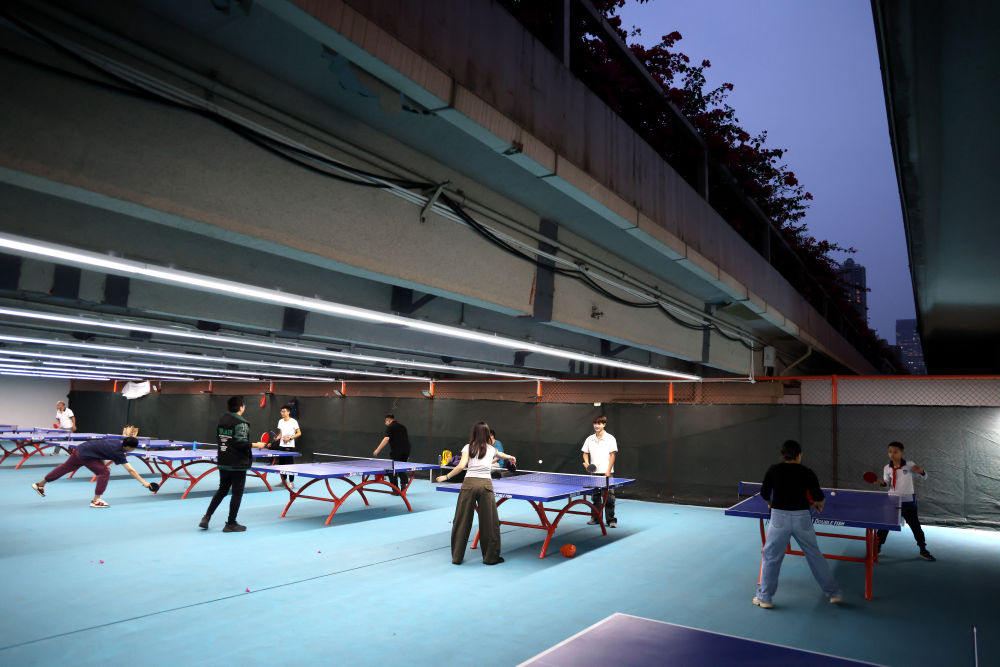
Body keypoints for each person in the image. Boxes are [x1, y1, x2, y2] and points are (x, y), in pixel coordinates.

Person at [753, 439, 843, 609]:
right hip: (802, 518)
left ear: (783, 454)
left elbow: (764, 493)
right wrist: (819, 505)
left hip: (779, 518)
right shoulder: (807, 472)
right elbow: (818, 497)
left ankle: (765, 598)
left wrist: (771, 504)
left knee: (771, 557)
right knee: (815, 556)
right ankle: (834, 593)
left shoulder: (773, 470)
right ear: (799, 455)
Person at [436, 421, 516, 565]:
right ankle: (490, 558)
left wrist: (446, 477)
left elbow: (461, 465)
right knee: (489, 523)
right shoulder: (491, 449)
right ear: (487, 434)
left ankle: (457, 557)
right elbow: (501, 454)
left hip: (468, 485)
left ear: (474, 433)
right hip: (485, 486)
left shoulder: (468, 447)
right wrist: (510, 457)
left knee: (461, 521)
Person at [199, 396, 268, 532]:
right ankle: (231, 523)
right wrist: (256, 445)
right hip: (237, 463)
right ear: (241, 407)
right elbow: (240, 443)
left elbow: (223, 439)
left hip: (223, 461)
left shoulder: (222, 420)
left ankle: (206, 517)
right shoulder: (241, 423)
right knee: (237, 493)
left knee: (222, 490)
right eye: (244, 405)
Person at [32, 436, 151, 507]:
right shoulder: (118, 452)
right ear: (129, 447)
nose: (134, 449)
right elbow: (131, 470)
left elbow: (102, 450)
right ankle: (96, 500)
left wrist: (103, 465)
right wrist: (144, 482)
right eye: (134, 448)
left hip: (81, 449)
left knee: (65, 468)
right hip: (86, 455)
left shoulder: (116, 442)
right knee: (104, 473)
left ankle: (40, 484)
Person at [877, 441, 935, 561]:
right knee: (884, 526)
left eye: (895, 452)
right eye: (890, 451)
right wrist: (882, 483)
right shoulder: (887, 468)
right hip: (892, 500)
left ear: (902, 453)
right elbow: (887, 484)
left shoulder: (910, 465)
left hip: (908, 501)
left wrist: (921, 471)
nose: (892, 454)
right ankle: (877, 548)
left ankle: (923, 550)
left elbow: (925, 477)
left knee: (916, 527)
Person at [581, 415, 618, 527]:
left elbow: (613, 455)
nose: (596, 426)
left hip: (606, 473)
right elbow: (585, 453)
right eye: (595, 423)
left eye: (599, 423)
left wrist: (608, 470)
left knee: (609, 498)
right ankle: (596, 518)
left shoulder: (610, 438)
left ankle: (611, 520)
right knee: (595, 497)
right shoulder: (589, 439)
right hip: (594, 474)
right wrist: (587, 463)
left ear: (604, 425)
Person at [373, 414, 410, 493]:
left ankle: (395, 490)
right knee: (401, 467)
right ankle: (403, 485)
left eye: (385, 421)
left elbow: (386, 438)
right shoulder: (403, 427)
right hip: (406, 450)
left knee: (391, 470)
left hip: (397, 451)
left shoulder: (390, 427)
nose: (385, 423)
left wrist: (378, 449)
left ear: (388, 420)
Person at [275, 405, 302, 490]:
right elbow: (281, 433)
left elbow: (299, 433)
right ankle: (283, 481)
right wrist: (277, 437)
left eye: (284, 411)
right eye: (281, 411)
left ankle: (291, 482)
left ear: (289, 412)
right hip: (281, 446)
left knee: (289, 465)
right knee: (281, 465)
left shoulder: (293, 421)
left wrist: (290, 438)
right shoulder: (280, 421)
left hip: (290, 446)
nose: (282, 413)